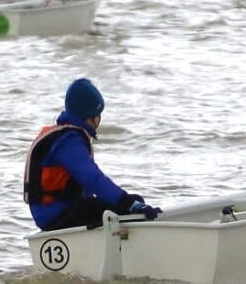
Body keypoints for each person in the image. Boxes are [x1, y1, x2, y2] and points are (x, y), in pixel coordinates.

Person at [23, 78, 162, 231]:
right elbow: (93, 179)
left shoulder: (63, 135)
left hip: (54, 211)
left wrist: (128, 202)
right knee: (128, 207)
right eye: (98, 115)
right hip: (56, 214)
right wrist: (130, 203)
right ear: (91, 117)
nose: (99, 120)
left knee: (125, 204)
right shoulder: (68, 141)